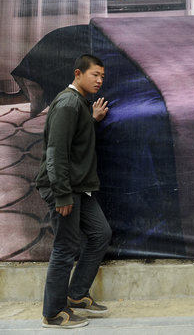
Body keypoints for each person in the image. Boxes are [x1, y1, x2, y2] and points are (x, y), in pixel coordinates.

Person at [36, 54, 112, 329]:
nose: (100, 80)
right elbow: (56, 151)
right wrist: (62, 194)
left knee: (100, 234)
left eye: (102, 76)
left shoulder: (79, 104)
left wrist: (92, 120)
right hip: (64, 188)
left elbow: (74, 141)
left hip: (79, 187)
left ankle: (77, 295)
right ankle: (54, 313)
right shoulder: (69, 103)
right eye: (95, 75)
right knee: (65, 247)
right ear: (78, 74)